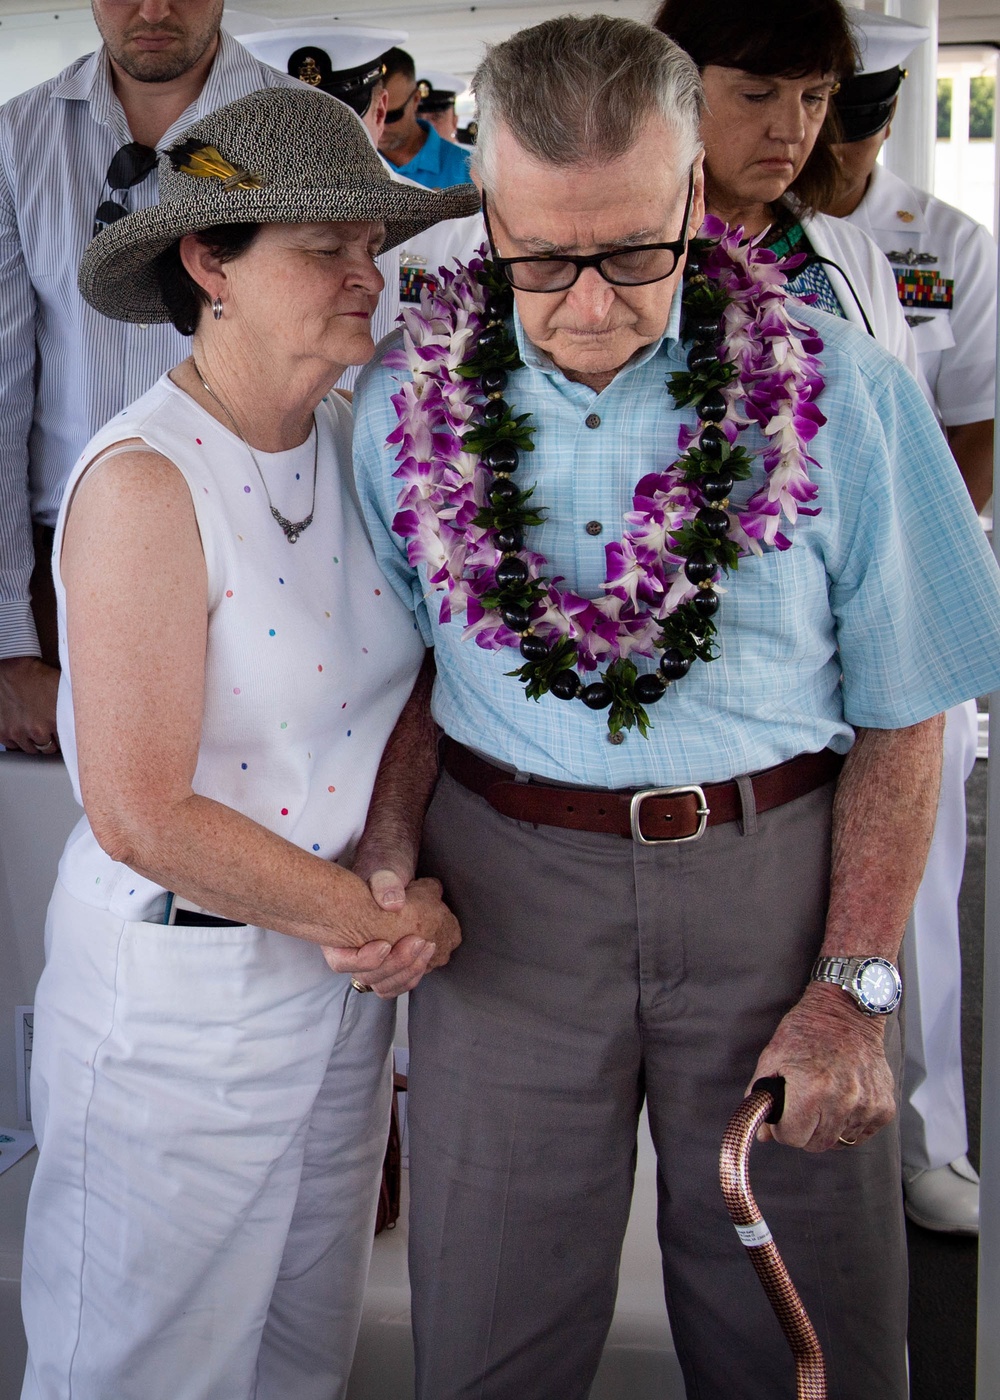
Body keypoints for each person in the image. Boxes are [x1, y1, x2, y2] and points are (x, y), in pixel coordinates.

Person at [351, 15, 1000, 1400]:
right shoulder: (400, 407)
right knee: (486, 1341)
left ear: (696, 194)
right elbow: (414, 665)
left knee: (803, 1333)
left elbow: (907, 707)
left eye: (636, 251)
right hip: (507, 909)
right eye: (541, 257)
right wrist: (392, 844)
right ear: (489, 213)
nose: (590, 304)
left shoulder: (841, 392)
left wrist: (855, 984)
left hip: (777, 891)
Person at [20, 85, 477, 1400]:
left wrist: (385, 867)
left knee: (301, 1357)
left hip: (334, 987)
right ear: (209, 263)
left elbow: (410, 695)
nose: (364, 274)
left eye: (371, 244)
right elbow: (142, 814)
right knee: (141, 1374)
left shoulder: (352, 445)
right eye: (322, 246)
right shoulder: (145, 482)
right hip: (175, 1014)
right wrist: (388, 920)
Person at [0, 0, 308, 758]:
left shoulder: (309, 128)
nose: (154, 8)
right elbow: (1, 396)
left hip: (276, 558)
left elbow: (344, 374)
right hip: (72, 571)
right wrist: (10, 636)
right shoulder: (18, 141)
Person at [826, 6, 998, 1236]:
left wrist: (897, 577)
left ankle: (930, 1137)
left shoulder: (932, 248)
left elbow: (969, 439)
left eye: (828, 121)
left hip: (903, 608)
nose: (802, 144)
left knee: (918, 883)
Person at [655, 0, 918, 377]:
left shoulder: (854, 259)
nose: (793, 130)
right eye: (757, 96)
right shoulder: (622, 253)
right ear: (677, 88)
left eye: (814, 98)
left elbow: (898, 420)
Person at [240, 26, 482, 383]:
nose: (316, 135)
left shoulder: (451, 231)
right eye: (292, 117)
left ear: (381, 111)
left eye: (340, 116)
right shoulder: (225, 228)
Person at [378, 46, 473, 189]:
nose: (381, 125)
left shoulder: (467, 170)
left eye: (392, 116)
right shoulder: (351, 165)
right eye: (374, 114)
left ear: (416, 99)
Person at [417, 71, 465, 143]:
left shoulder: (469, 154)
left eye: (436, 117)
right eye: (417, 119)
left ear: (454, 122)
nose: (426, 126)